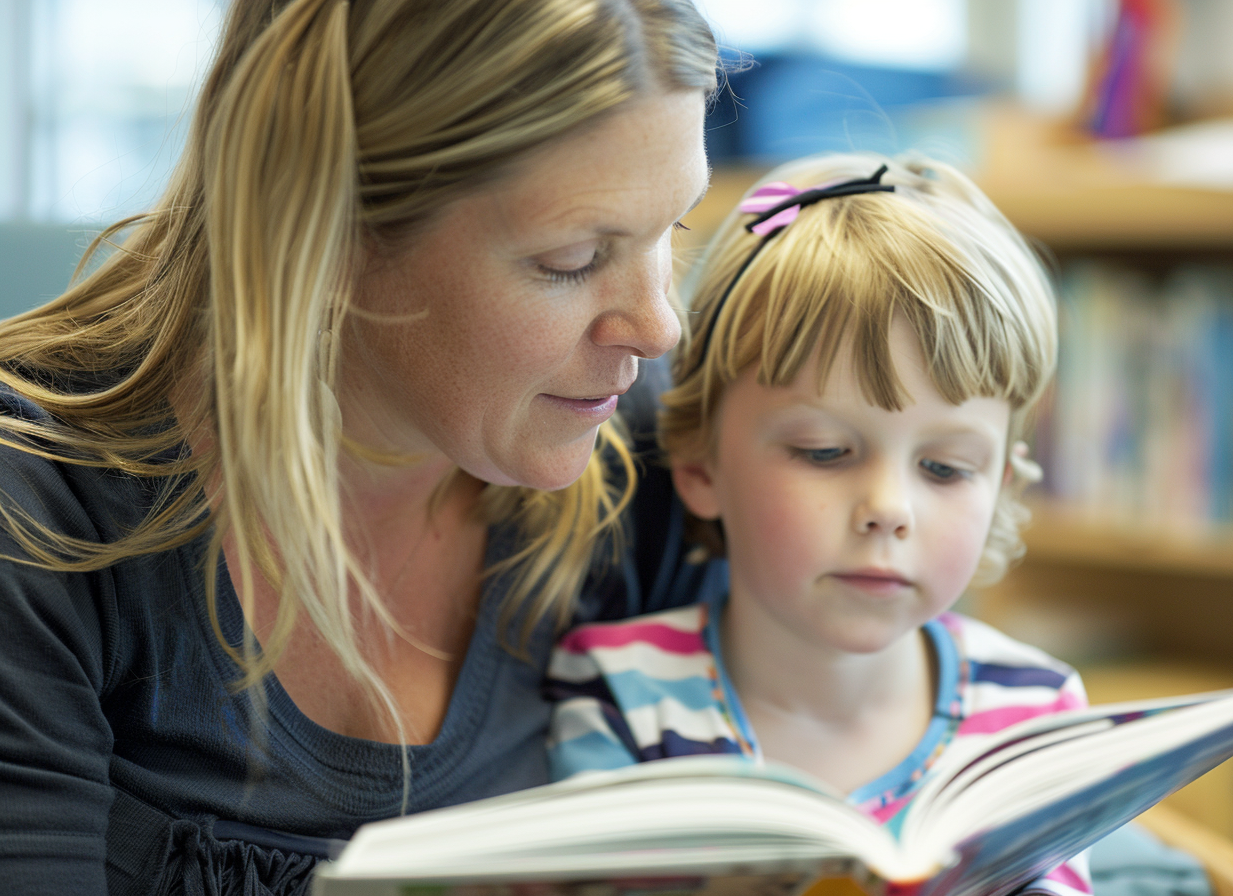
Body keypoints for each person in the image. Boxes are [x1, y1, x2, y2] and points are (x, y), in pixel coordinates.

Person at [0, 1, 723, 893]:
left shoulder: (649, 452)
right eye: (571, 259)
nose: (658, 325)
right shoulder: (38, 507)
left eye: (673, 228)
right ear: (326, 224)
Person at [546, 153, 1091, 896]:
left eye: (945, 469)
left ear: (1001, 486)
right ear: (700, 465)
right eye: (824, 452)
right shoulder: (617, 691)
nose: (889, 509)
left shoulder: (1036, 712)